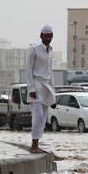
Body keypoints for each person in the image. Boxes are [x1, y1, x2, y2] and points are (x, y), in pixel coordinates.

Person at [25, 25, 56, 154]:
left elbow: (50, 72)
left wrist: (53, 93)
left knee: (43, 117)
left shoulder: (51, 51)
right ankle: (34, 145)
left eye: (50, 36)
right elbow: (28, 70)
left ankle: (37, 143)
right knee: (37, 116)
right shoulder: (34, 50)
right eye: (45, 36)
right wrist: (31, 88)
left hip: (47, 86)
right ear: (41, 36)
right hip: (36, 85)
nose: (47, 38)